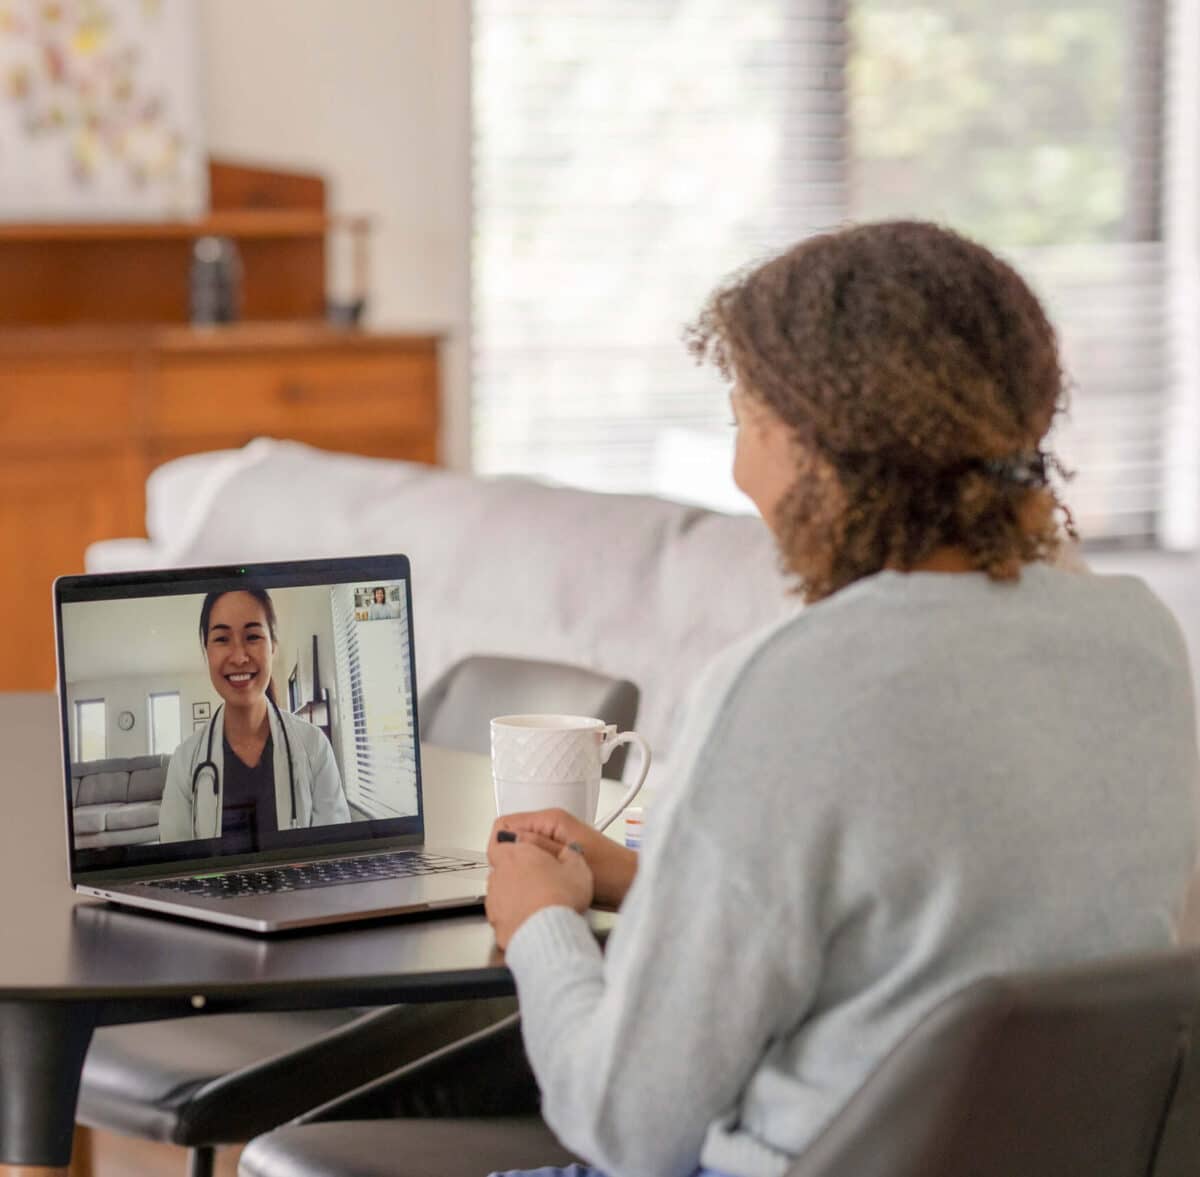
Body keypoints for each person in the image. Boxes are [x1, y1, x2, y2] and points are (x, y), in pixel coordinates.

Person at [484, 221, 1199, 1177]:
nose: (741, 473)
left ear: (815, 449)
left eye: (744, 421)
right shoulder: (1140, 642)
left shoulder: (787, 683)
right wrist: (663, 883)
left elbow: (626, 1126)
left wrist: (540, 919)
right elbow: (944, 934)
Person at [160, 589, 350, 844]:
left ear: (273, 648)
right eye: (222, 639)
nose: (239, 657)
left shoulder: (314, 747)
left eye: (252, 636)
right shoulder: (185, 762)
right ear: (206, 651)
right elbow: (175, 870)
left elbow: (335, 854)